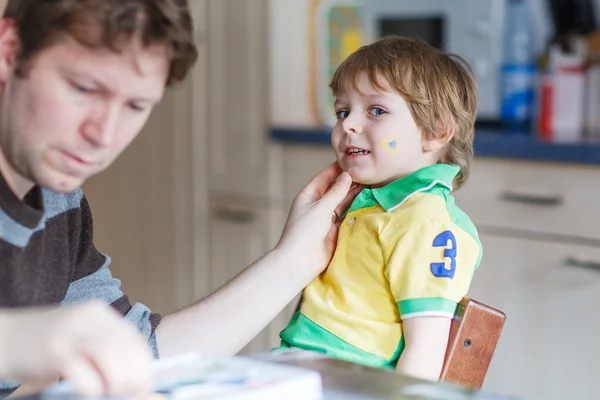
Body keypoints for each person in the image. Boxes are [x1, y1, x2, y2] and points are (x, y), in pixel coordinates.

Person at [0, 0, 361, 396]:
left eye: (136, 106)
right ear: (9, 48)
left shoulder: (59, 201)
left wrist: (295, 261)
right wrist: (15, 339)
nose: (103, 135)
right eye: (84, 89)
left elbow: (144, 353)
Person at [277, 36, 482, 381]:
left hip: (350, 380)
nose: (347, 125)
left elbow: (426, 351)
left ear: (435, 131)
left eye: (376, 110)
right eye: (343, 111)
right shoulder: (366, 203)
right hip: (302, 367)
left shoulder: (425, 222)